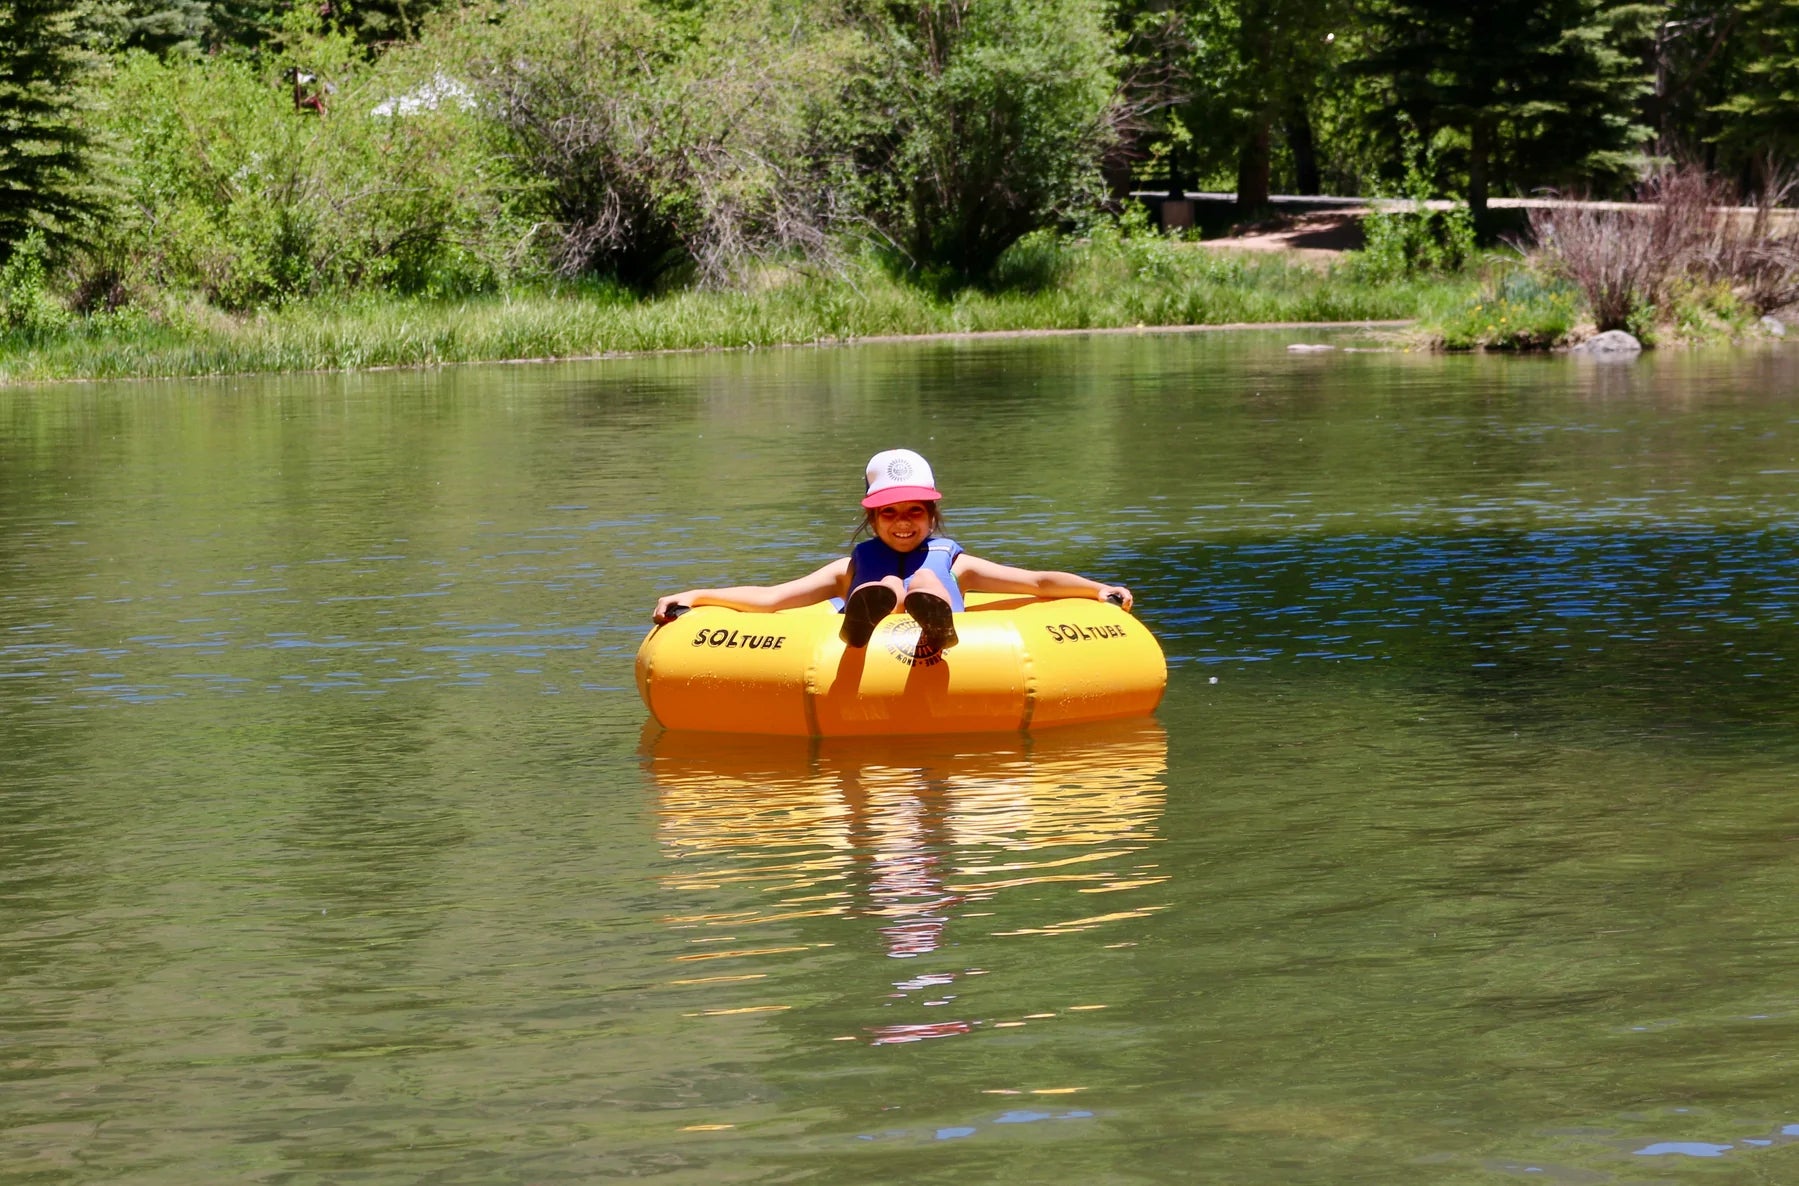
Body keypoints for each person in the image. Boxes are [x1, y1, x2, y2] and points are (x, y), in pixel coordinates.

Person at [652, 449, 1133, 651]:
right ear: (872, 518)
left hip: (937, 606)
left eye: (915, 512)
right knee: (883, 582)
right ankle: (871, 609)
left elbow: (1034, 582)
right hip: (872, 615)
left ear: (931, 515)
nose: (903, 523)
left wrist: (1098, 590)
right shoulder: (849, 566)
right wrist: (695, 596)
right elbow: (774, 598)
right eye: (889, 513)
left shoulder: (954, 562)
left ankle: (933, 617)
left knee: (923, 579)